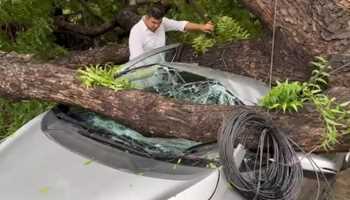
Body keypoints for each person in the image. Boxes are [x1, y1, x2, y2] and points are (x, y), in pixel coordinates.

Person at [128, 6, 214, 60]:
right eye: (153, 22)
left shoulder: (163, 22)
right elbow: (137, 59)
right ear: (146, 17)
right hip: (140, 72)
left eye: (159, 22)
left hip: (158, 69)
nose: (157, 26)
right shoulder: (136, 32)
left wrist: (202, 27)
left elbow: (181, 25)